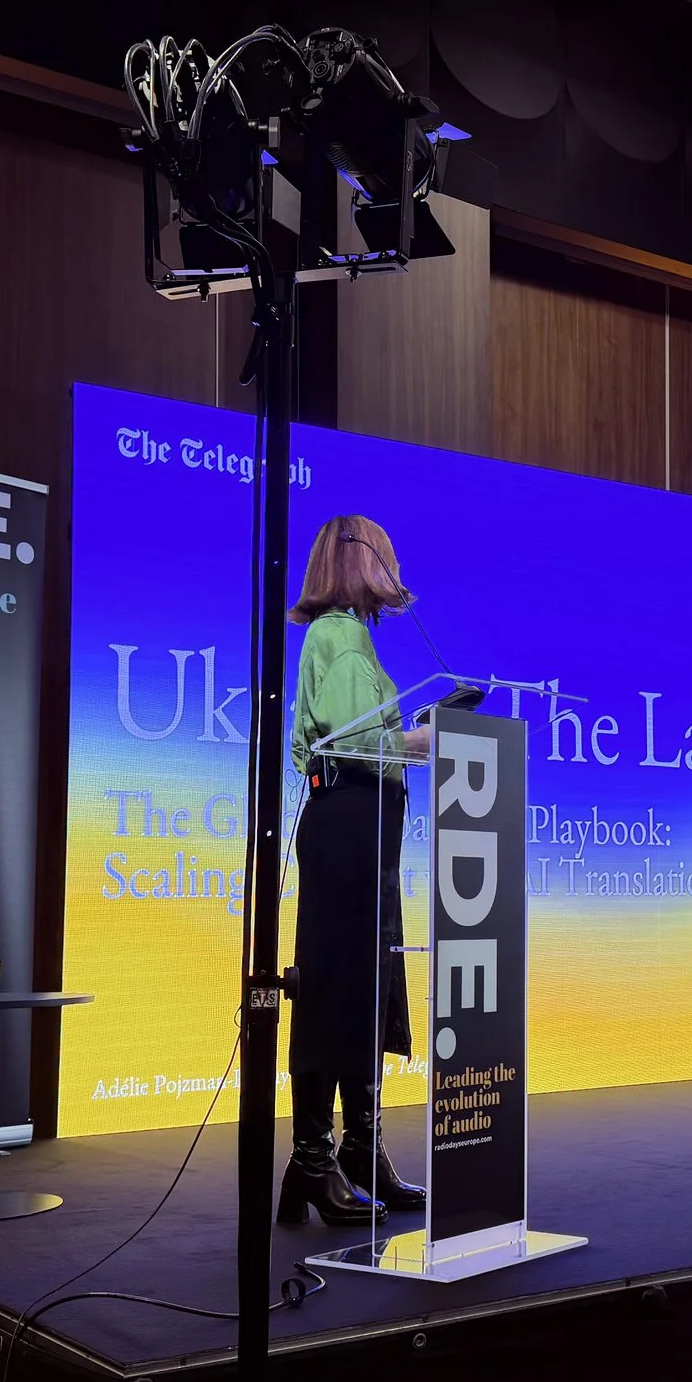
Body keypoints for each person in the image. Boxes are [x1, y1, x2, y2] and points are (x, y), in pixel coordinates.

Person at [281, 515, 431, 1226]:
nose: (394, 571)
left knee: (363, 986)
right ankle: (314, 1161)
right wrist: (415, 741)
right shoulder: (340, 637)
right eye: (387, 557)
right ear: (360, 561)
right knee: (339, 987)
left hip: (360, 827)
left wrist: (405, 741)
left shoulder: (349, 637)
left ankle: (356, 1150)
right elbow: (354, 742)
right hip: (347, 825)